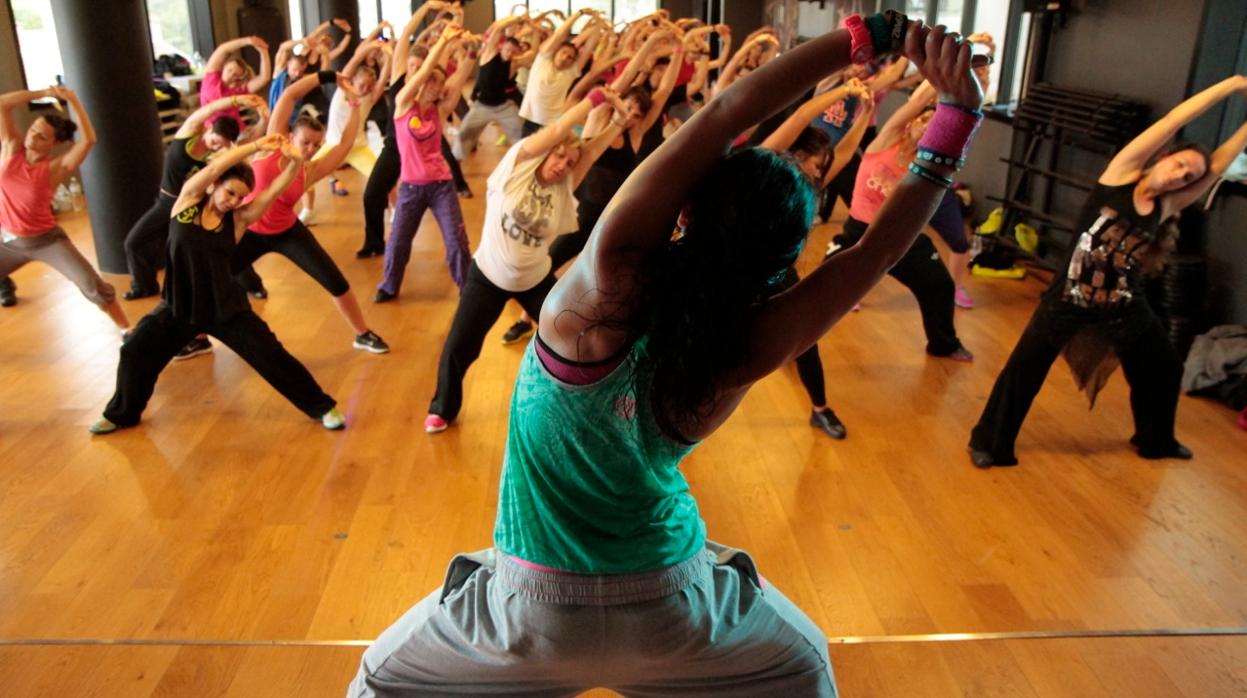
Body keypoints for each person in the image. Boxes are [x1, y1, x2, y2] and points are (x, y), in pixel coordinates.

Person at [350, 16, 984, 696]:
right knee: (805, 666)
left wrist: (865, 35)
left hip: (525, 614)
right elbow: (875, 250)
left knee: (376, 680)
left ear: (683, 212)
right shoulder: (751, 339)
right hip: (674, 613)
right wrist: (958, 115)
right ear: (783, 256)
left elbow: (723, 112)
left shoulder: (603, 281)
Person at [968, 75, 1247, 468]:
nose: (1181, 175)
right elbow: (1173, 122)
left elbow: (1216, 167)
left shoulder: (1166, 206)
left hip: (1123, 304)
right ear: (1164, 155)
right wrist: (1231, 85)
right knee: (1024, 369)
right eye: (1180, 164)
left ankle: (1155, 439)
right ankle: (990, 443)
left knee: (1163, 366)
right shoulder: (1120, 175)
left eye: (1188, 176)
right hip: (1068, 297)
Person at [90, 136, 345, 435]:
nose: (234, 201)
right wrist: (255, 146)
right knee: (135, 350)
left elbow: (274, 191)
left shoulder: (237, 221)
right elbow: (211, 171)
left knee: (272, 357)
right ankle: (122, 414)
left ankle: (323, 406)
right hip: (178, 307)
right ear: (215, 185)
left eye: (240, 197)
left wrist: (295, 162)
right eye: (231, 192)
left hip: (226, 308)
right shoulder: (186, 203)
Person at [424, 88, 635, 433]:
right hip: (487, 276)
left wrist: (618, 124)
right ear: (546, 153)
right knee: (459, 346)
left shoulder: (565, 183)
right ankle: (442, 408)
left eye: (569, 162)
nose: (562, 166)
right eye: (559, 158)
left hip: (535, 279)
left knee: (577, 339)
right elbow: (554, 133)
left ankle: (596, 405)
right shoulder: (516, 166)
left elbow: (592, 150)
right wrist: (593, 100)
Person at [212, 70, 389, 356]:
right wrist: (328, 76)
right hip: (249, 229)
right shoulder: (271, 145)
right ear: (289, 136)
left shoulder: (311, 171)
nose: (310, 149)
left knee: (336, 281)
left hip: (286, 232)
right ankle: (193, 334)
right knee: (211, 276)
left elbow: (344, 145)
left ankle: (362, 334)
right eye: (305, 142)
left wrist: (355, 108)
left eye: (316, 145)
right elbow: (289, 95)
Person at [754, 80, 877, 439]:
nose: (821, 171)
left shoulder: (810, 184)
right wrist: (840, 92)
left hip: (779, 271)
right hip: (737, 270)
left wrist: (866, 113)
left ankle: (820, 409)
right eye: (816, 163)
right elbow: (801, 116)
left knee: (806, 338)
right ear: (797, 154)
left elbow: (850, 148)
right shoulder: (764, 171)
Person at [825, 79, 974, 362]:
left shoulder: (925, 164)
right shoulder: (885, 141)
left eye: (935, 124)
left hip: (898, 236)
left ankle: (943, 344)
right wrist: (941, 77)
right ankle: (794, 349)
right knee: (819, 288)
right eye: (925, 119)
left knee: (940, 285)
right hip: (858, 231)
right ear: (911, 123)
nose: (928, 124)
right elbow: (917, 101)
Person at [0, 87, 130, 334]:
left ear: (54, 144)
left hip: (45, 241)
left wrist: (72, 99)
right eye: (33, 131)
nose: (32, 138)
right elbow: (2, 104)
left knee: (92, 285)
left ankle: (127, 331)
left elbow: (89, 139)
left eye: (41, 137)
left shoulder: (55, 168)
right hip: (6, 240)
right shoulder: (10, 148)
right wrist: (40, 92)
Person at [374, 24, 476, 303]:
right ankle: (388, 285)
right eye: (430, 80)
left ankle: (467, 289)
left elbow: (467, 68)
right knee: (398, 242)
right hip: (410, 187)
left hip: (442, 185)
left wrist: (471, 46)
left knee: (457, 242)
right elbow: (421, 74)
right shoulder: (403, 103)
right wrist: (442, 41)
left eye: (439, 82)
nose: (436, 85)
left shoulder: (440, 109)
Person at [122, 94, 261, 300]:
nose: (215, 147)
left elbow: (241, 151)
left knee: (222, 243)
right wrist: (237, 100)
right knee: (133, 242)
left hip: (193, 206)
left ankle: (253, 284)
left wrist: (263, 126)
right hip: (166, 203)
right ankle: (145, 285)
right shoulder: (188, 134)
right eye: (215, 140)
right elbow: (209, 109)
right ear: (209, 129)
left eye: (221, 145)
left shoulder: (216, 156)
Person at [451, 13, 528, 160]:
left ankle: (526, 161)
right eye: (507, 49)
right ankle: (454, 167)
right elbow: (498, 27)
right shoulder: (490, 53)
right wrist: (516, 19)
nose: (509, 53)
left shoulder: (512, 63)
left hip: (504, 107)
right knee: (463, 134)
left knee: (521, 134)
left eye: (513, 51)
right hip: (482, 107)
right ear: (502, 47)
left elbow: (532, 52)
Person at [517, 8, 596, 136]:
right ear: (556, 52)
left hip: (551, 126)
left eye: (570, 57)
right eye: (563, 53)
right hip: (530, 123)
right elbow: (560, 34)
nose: (565, 58)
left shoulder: (570, 73)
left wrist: (597, 23)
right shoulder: (542, 61)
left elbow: (588, 48)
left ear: (572, 62)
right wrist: (579, 13)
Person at [200, 36, 272, 133]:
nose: (231, 75)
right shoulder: (211, 78)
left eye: (236, 75)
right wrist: (248, 41)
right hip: (211, 131)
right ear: (224, 67)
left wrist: (263, 51)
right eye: (230, 70)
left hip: (235, 133)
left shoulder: (238, 91)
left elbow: (264, 78)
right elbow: (222, 49)